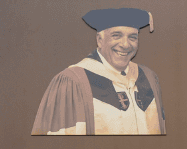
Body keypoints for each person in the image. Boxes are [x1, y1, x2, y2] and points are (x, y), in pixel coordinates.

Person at [31, 8, 166, 135]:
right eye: (116, 35)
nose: (125, 44)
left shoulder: (148, 78)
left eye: (132, 37)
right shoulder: (74, 81)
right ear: (100, 40)